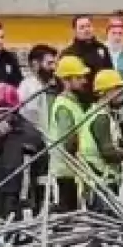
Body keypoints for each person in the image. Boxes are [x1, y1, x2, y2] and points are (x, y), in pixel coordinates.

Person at [0, 84, 48, 221]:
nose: (2, 116)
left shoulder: (31, 135)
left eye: (6, 111)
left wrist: (43, 205)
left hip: (22, 207)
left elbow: (42, 174)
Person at [78, 69, 123, 204]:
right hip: (101, 182)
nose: (122, 96)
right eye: (118, 91)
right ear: (105, 93)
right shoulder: (101, 119)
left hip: (95, 180)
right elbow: (108, 153)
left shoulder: (94, 113)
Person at [49, 55, 90, 213]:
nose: (83, 81)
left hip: (71, 170)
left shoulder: (72, 102)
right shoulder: (64, 106)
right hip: (66, 173)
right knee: (67, 216)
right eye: (78, 78)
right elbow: (68, 141)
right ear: (66, 80)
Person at [18, 44, 59, 135]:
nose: (53, 68)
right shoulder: (28, 87)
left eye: (54, 63)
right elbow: (33, 119)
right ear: (35, 64)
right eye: (49, 63)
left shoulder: (49, 86)